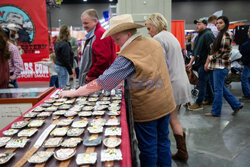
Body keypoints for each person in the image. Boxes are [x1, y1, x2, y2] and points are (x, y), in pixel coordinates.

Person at [60, 14, 176, 167]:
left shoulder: (128, 55)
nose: (116, 44)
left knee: (148, 148)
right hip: (166, 102)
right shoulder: (153, 43)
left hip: (148, 108)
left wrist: (74, 92)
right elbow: (163, 68)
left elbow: (103, 82)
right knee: (163, 142)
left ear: (128, 34)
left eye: (117, 39)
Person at [145, 13, 191, 162]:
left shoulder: (158, 39)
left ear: (155, 25)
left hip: (172, 84)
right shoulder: (171, 36)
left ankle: (181, 153)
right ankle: (181, 151)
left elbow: (161, 65)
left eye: (149, 28)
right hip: (181, 81)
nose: (148, 31)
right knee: (174, 118)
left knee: (172, 119)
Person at [204, 16, 243, 117]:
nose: (218, 25)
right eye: (217, 23)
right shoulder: (221, 34)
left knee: (218, 90)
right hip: (217, 65)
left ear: (226, 24)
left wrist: (210, 57)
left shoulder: (226, 35)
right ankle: (236, 105)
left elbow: (221, 52)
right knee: (220, 88)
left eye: (220, 23)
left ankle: (216, 112)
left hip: (220, 66)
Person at [79, 9, 116, 86]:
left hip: (97, 80)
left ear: (95, 21)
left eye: (86, 23)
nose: (84, 26)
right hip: (97, 79)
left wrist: (91, 74)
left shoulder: (99, 34)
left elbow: (103, 59)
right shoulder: (96, 34)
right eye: (83, 23)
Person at [187, 18, 214, 110]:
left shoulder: (208, 34)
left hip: (204, 63)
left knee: (201, 83)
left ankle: (198, 103)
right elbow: (195, 51)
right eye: (196, 24)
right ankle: (210, 99)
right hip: (200, 63)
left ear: (205, 25)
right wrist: (190, 63)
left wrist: (207, 63)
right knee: (206, 82)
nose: (197, 26)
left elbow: (212, 51)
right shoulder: (199, 35)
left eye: (199, 24)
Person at [240, 27, 250, 99]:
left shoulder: (247, 43)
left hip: (248, 62)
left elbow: (243, 49)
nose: (248, 31)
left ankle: (247, 95)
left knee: (244, 79)